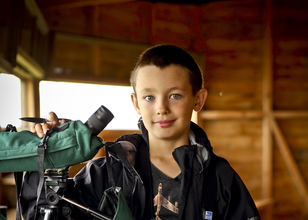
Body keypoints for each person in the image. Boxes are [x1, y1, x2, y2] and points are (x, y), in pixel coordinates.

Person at [21, 44, 260, 220]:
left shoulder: (220, 178)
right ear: (136, 103)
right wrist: (48, 158)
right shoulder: (107, 173)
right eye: (149, 97)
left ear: (199, 100)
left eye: (175, 95)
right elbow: (42, 213)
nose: (162, 108)